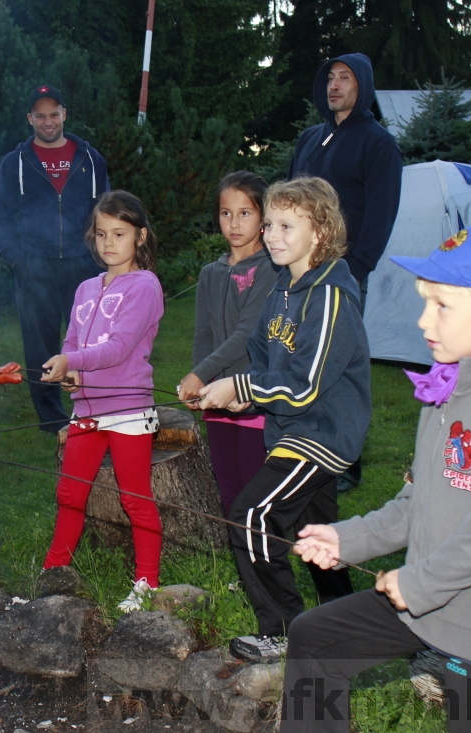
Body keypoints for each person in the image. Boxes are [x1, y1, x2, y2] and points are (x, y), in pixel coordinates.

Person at [284, 226, 471, 733]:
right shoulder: (447, 389)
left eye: (442, 306)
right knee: (315, 638)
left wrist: (418, 582)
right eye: (425, 303)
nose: (423, 320)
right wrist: (349, 538)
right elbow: (419, 501)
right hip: (426, 604)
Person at [198, 178, 368, 662]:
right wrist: (241, 398)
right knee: (318, 540)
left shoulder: (330, 295)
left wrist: (245, 388)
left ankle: (285, 631)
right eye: (268, 223)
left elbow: (307, 383)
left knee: (251, 515)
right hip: (289, 429)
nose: (271, 235)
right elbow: (263, 365)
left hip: (321, 433)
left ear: (319, 231)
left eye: (285, 225)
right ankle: (346, 628)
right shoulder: (283, 290)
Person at [38, 191, 164, 613]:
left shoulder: (144, 286)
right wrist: (71, 372)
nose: (109, 243)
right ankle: (54, 572)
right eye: (101, 234)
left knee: (135, 499)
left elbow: (118, 348)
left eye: (120, 233)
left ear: (140, 236)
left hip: (128, 410)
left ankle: (147, 581)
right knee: (70, 493)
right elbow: (73, 340)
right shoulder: (86, 287)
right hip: (87, 411)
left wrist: (72, 360)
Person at [288, 53, 403, 491]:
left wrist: (355, 270)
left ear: (364, 87)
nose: (335, 86)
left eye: (346, 78)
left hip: (343, 272)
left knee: (338, 365)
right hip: (297, 272)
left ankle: (344, 461)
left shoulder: (378, 144)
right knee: (298, 359)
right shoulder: (309, 139)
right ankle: (302, 444)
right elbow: (285, 201)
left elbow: (381, 215)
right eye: (330, 78)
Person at [0, 85, 110, 432]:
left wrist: (99, 256)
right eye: (40, 115)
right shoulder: (14, 163)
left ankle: (94, 405)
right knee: (40, 344)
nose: (47, 121)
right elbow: (1, 215)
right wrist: (17, 259)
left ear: (64, 114)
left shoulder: (89, 159)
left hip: (83, 264)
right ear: (30, 118)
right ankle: (52, 419)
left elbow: (105, 210)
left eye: (53, 113)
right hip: (34, 265)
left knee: (90, 339)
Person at [178, 171, 278, 514]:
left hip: (253, 397)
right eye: (226, 213)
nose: (234, 223)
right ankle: (240, 560)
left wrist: (199, 376)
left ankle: (263, 558)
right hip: (217, 402)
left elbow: (245, 334)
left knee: (256, 492)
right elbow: (202, 333)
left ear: (263, 218)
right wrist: (200, 379)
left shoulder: (270, 269)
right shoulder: (210, 273)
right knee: (229, 490)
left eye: (245, 213)